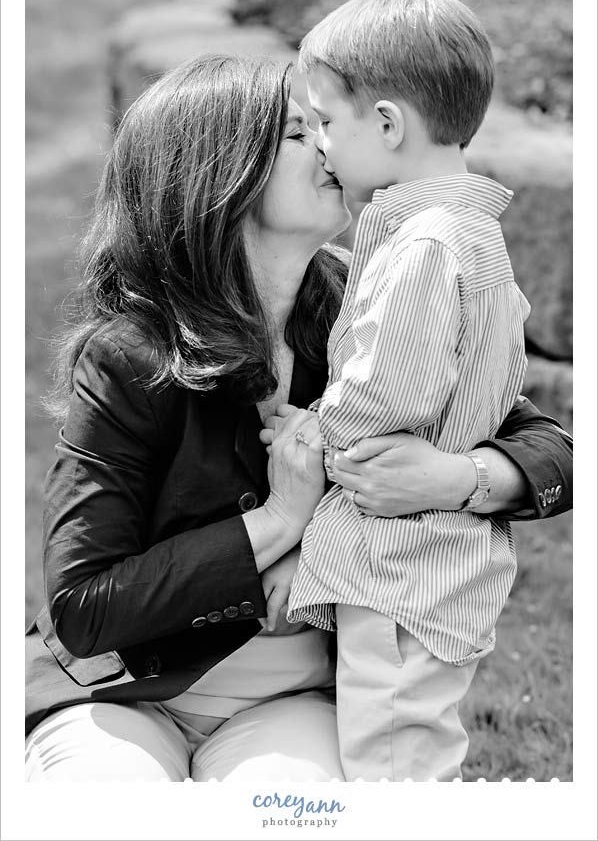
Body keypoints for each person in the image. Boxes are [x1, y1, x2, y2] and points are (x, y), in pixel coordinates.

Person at [25, 53, 572, 783]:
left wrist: (457, 477)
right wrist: (281, 522)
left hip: (291, 700)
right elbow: (84, 607)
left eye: (322, 125)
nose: (328, 144)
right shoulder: (129, 356)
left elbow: (553, 451)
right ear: (219, 173)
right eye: (296, 132)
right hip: (122, 690)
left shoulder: (376, 296)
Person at [286, 0, 550, 781]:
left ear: (389, 124)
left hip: (404, 565)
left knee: (395, 764)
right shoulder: (466, 233)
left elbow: (382, 396)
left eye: (326, 122)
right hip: (423, 553)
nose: (320, 144)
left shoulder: (425, 244)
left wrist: (311, 428)